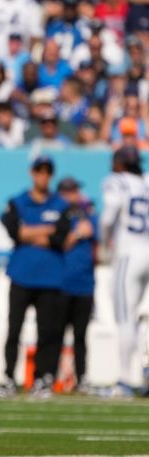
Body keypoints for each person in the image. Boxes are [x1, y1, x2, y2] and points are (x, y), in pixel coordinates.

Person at [0, 156, 71, 397]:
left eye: (47, 172)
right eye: (40, 171)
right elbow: (14, 232)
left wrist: (29, 232)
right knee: (14, 330)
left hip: (50, 277)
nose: (43, 176)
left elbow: (60, 238)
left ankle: (43, 378)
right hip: (21, 274)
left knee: (48, 333)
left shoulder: (60, 203)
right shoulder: (18, 201)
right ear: (33, 173)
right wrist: (45, 231)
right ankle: (9, 376)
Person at [100, 146, 149, 397]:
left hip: (128, 252)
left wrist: (104, 243)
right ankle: (143, 374)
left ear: (119, 163)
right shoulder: (145, 181)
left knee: (125, 318)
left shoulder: (117, 181)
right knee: (141, 317)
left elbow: (109, 216)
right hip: (147, 249)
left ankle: (125, 380)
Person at [56, 177, 97, 391]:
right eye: (70, 191)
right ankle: (50, 378)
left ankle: (82, 378)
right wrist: (76, 233)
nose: (75, 195)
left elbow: (98, 245)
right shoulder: (59, 216)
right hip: (61, 284)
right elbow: (57, 243)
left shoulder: (88, 214)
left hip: (85, 284)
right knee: (56, 334)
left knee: (81, 336)